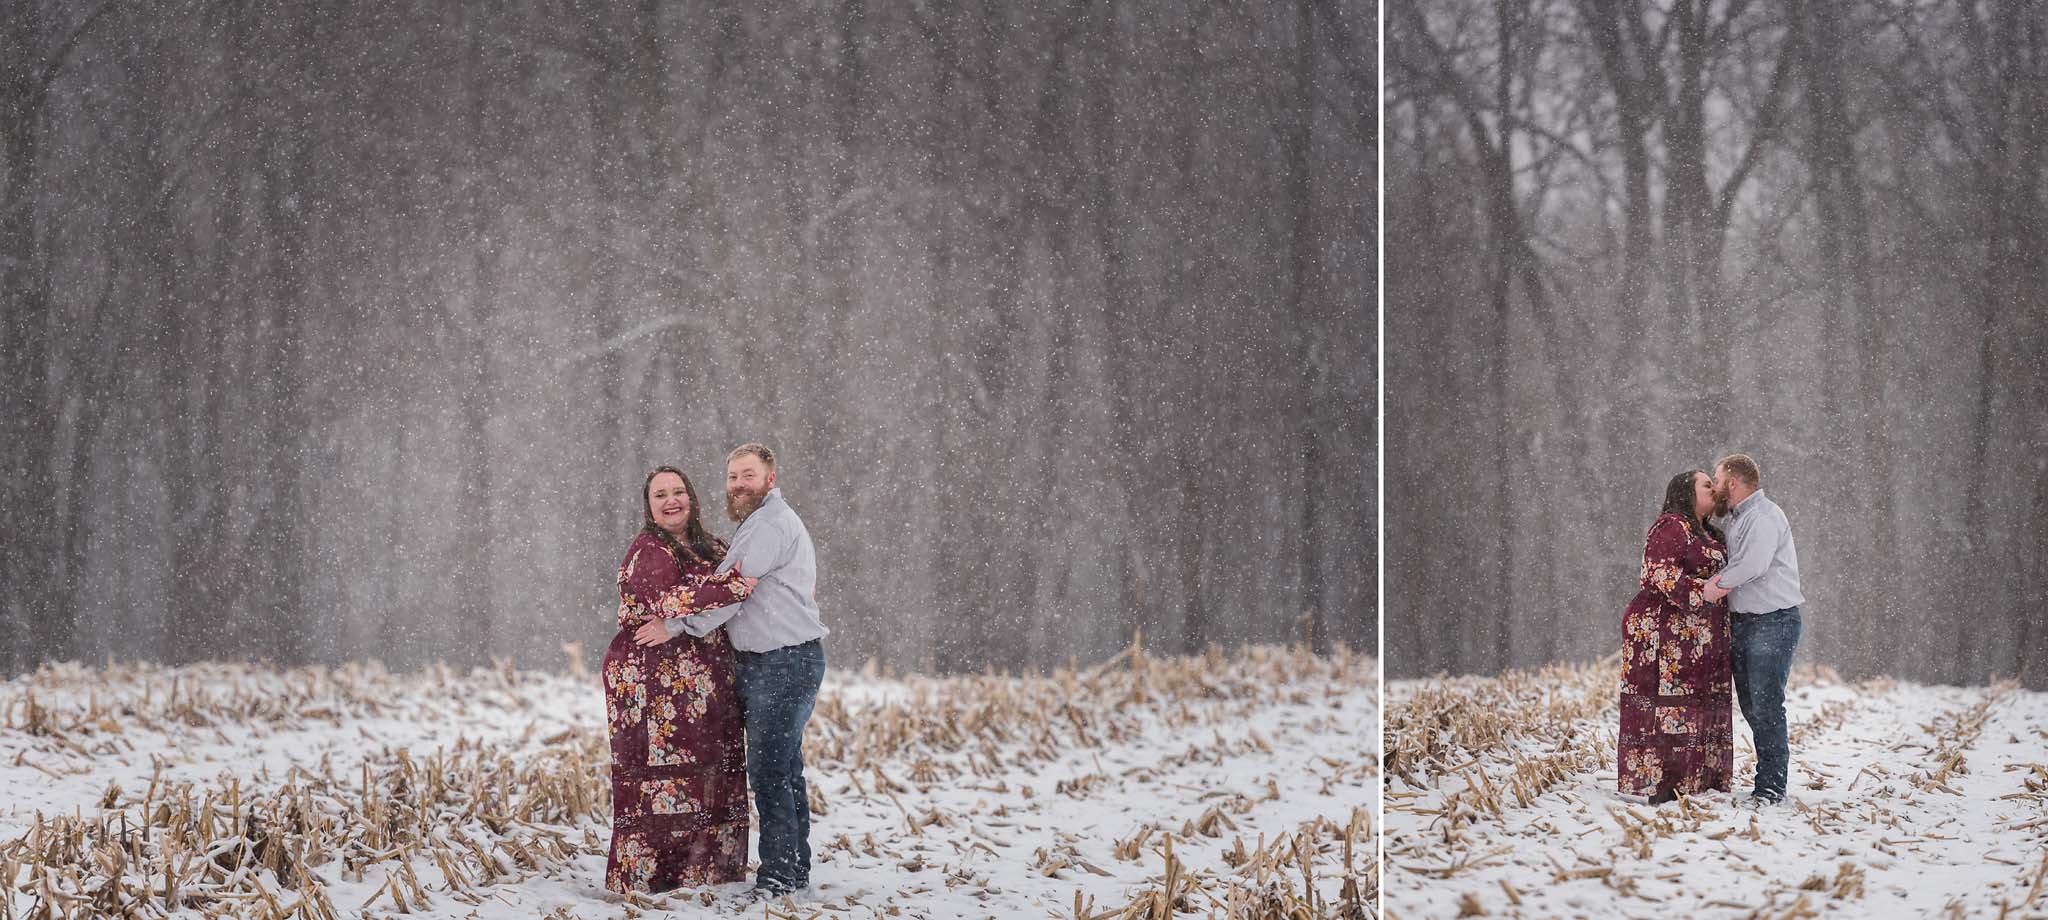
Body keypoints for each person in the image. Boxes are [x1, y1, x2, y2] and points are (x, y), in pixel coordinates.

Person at [656, 443, 827, 898]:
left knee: (771, 772)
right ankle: (794, 870)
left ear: (770, 479)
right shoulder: (760, 522)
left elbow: (728, 590)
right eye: (732, 477)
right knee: (785, 770)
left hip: (784, 661)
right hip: (771, 661)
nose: (737, 485)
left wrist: (674, 624)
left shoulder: (769, 524)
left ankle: (777, 878)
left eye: (747, 476)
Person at [604, 466, 758, 894]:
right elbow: (673, 601)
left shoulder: (711, 546)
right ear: (649, 506)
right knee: (663, 780)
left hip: (705, 679)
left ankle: (706, 874)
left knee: (709, 774)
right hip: (652, 682)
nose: (671, 500)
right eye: (660, 495)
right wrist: (734, 587)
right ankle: (653, 879)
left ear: (691, 497)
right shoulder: (649, 550)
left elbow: (738, 588)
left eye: (678, 491)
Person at [1618, 469, 1736, 803]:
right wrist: (1707, 590)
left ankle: (1698, 780)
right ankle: (1664, 783)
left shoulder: (1712, 533)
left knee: (1698, 704)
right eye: (1706, 485)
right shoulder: (1671, 526)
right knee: (1668, 705)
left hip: (1700, 637)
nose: (1714, 490)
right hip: (1664, 633)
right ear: (1686, 492)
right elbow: (1660, 574)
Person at [1703, 452, 1804, 806]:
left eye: (1716, 480)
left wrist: (1711, 587)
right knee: (1751, 705)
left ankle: (1772, 787)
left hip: (1772, 621)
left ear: (1732, 482)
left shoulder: (1762, 516)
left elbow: (1754, 564)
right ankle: (1768, 780)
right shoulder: (1737, 519)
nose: (1714, 487)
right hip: (1745, 623)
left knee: (1766, 704)